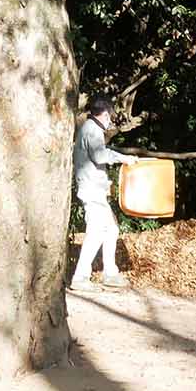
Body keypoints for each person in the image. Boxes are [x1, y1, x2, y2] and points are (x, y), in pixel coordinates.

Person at [70, 95, 132, 291]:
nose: (110, 121)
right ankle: (80, 277)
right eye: (110, 116)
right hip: (91, 190)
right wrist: (124, 158)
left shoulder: (89, 128)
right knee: (96, 232)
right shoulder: (92, 130)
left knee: (111, 229)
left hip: (94, 189)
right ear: (105, 114)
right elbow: (100, 156)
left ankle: (110, 274)